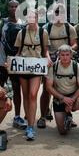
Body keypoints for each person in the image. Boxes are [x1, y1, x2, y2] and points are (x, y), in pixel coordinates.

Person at [13, 9, 53, 140]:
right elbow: (18, 52)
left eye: (33, 17)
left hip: (36, 67)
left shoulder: (43, 32)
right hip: (24, 67)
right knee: (25, 95)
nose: (31, 19)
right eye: (29, 17)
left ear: (37, 19)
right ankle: (29, 121)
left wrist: (48, 58)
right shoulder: (22, 32)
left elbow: (45, 50)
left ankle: (31, 126)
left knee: (33, 94)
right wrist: (12, 62)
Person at [38, 3, 78, 129]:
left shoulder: (69, 28)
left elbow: (74, 44)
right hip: (50, 60)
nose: (59, 14)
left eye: (61, 12)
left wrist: (66, 53)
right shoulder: (46, 27)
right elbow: (43, 46)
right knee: (46, 89)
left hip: (64, 60)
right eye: (56, 12)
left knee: (66, 88)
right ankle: (43, 116)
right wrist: (49, 57)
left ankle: (68, 116)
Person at [45, 45, 79, 144]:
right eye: (62, 55)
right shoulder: (53, 67)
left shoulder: (77, 67)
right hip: (59, 99)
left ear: (71, 55)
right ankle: (68, 116)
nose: (65, 57)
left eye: (67, 55)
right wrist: (63, 98)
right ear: (58, 55)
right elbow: (48, 87)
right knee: (62, 131)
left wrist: (71, 100)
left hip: (74, 97)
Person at [0, 0, 26, 130]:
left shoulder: (23, 24)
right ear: (8, 8)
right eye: (11, 6)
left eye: (16, 6)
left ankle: (17, 116)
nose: (13, 8)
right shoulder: (0, 24)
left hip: (16, 64)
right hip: (2, 63)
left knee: (17, 90)